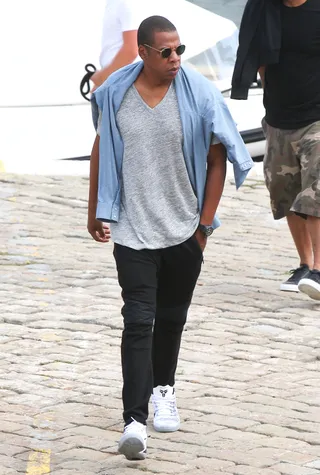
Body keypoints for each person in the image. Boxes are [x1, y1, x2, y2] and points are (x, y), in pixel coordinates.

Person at [87, 15, 253, 461]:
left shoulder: (198, 95)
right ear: (143, 53)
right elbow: (102, 147)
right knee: (138, 320)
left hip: (183, 229)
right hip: (133, 229)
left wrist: (204, 224)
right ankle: (134, 421)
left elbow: (218, 158)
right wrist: (95, 211)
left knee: (171, 318)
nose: (176, 58)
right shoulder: (116, 94)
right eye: (166, 51)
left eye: (179, 49)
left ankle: (164, 389)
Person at [232, 0, 320, 299]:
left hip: (318, 117)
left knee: (316, 190)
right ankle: (306, 265)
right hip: (279, 116)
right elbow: (256, 56)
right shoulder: (263, 8)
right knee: (286, 192)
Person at [90, 0, 149, 129]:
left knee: (113, 143)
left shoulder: (124, 3)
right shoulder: (115, 4)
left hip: (121, 84)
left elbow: (131, 50)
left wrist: (102, 79)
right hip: (116, 82)